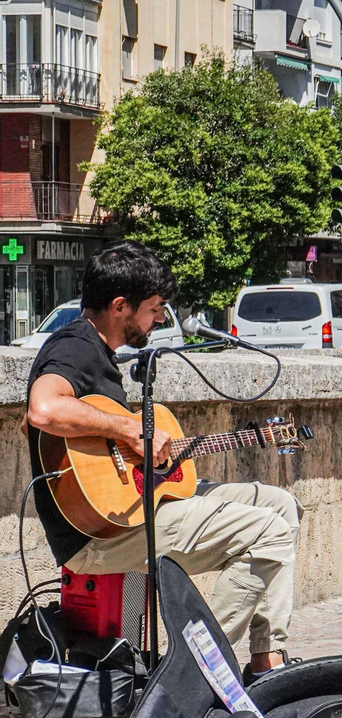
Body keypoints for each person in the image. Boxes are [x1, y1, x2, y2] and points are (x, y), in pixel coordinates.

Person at [25, 243, 302, 680]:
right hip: (97, 536)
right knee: (266, 531)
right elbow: (43, 410)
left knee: (279, 505)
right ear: (120, 306)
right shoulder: (75, 346)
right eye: (153, 309)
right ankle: (196, 673)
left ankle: (266, 657)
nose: (158, 319)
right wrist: (128, 429)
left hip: (132, 511)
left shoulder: (99, 354)